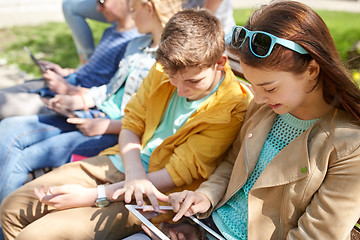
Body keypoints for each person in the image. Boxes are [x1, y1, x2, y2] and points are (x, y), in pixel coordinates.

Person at [0, 8, 252, 240]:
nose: (181, 90)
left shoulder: (232, 107)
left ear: (220, 62)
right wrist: (134, 176)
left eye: (193, 81)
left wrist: (92, 196)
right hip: (124, 166)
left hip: (154, 196)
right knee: (12, 207)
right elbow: (131, 124)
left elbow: (176, 176)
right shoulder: (164, 68)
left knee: (35, 235)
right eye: (172, 78)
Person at [164, 1, 360, 240]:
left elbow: (318, 235)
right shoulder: (265, 106)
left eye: (269, 87)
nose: (257, 97)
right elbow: (232, 163)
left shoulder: (349, 146)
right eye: (253, 85)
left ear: (312, 70)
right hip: (206, 226)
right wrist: (205, 195)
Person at [0, 0, 182, 205]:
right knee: (7, 128)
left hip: (115, 131)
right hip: (92, 115)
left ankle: (7, 222)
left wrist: (105, 126)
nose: (131, 16)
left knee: (24, 157)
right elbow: (110, 89)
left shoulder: (170, 62)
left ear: (149, 8)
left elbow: (158, 118)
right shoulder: (136, 45)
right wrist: (76, 101)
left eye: (134, 10)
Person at [0, 0, 140, 120]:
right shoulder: (111, 31)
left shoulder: (132, 45)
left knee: (4, 104)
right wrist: (64, 71)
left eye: (101, 1)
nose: (97, 8)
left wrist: (68, 89)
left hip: (71, 99)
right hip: (66, 81)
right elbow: (92, 70)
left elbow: (113, 94)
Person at [62, 0, 236, 65]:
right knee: (70, 6)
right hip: (173, 21)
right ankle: (87, 62)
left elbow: (205, 18)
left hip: (208, 29)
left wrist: (198, 24)